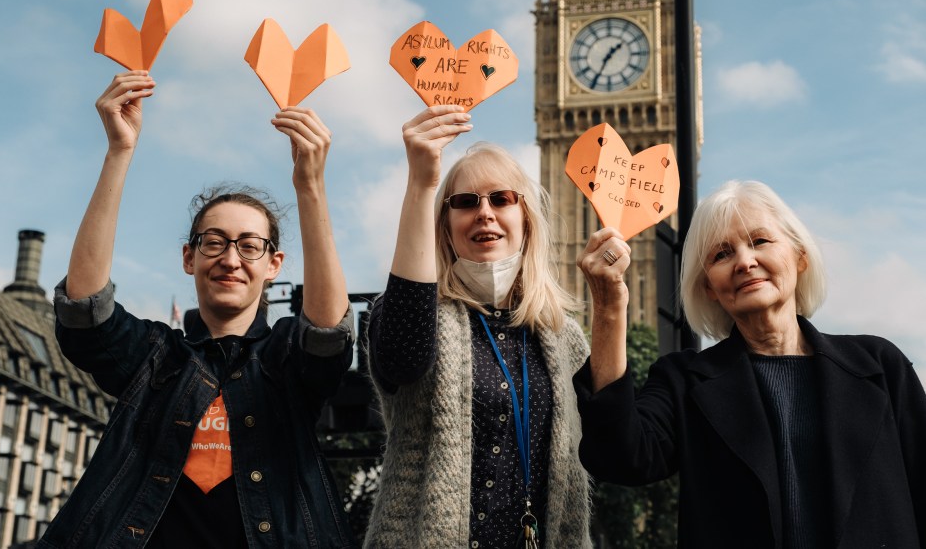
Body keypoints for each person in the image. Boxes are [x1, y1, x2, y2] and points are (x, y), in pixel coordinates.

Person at [38, 71, 356, 548]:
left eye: (250, 246)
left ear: (274, 265)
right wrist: (119, 153)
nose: (230, 259)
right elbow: (84, 307)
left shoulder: (286, 359)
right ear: (189, 258)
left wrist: (310, 186)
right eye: (214, 242)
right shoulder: (152, 358)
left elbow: (329, 332)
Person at [574, 180, 926, 548]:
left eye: (761, 241)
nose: (745, 261)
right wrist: (609, 308)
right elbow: (619, 456)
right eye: (722, 254)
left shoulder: (880, 366)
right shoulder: (685, 381)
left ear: (799, 256)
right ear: (709, 288)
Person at [364, 106, 592, 548]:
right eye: (466, 202)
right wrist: (422, 183)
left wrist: (613, 300)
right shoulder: (411, 314)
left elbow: (615, 447)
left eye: (501, 199)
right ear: (445, 229)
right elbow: (403, 357)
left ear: (526, 219)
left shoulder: (566, 336)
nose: (484, 212)